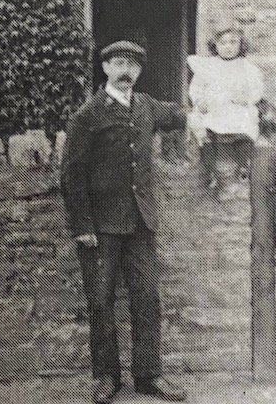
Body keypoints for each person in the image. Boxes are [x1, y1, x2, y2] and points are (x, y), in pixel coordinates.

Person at [60, 39, 188, 404]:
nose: (126, 71)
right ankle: (106, 378)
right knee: (101, 301)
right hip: (100, 227)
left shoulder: (147, 105)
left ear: (139, 71)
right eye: (118, 63)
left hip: (141, 222)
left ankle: (149, 376)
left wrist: (215, 97)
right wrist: (82, 226)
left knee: (147, 298)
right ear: (105, 69)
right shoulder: (87, 116)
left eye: (132, 64)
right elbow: (72, 175)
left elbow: (181, 115)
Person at [186, 18, 264, 194]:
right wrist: (199, 101)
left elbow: (256, 89)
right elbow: (196, 88)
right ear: (215, 45)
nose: (228, 46)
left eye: (233, 42)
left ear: (240, 44)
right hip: (213, 108)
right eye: (223, 43)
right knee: (201, 127)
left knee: (243, 122)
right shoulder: (208, 66)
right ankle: (211, 171)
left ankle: (242, 165)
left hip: (236, 107)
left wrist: (247, 98)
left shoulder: (247, 67)